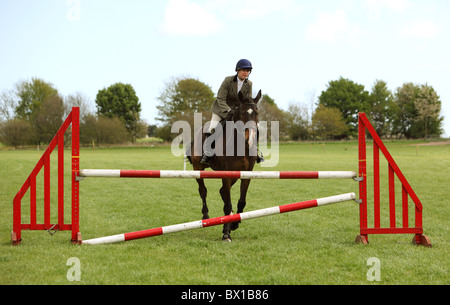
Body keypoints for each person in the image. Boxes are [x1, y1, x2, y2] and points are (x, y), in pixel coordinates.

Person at [201, 59, 264, 165]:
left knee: (256, 126)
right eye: (243, 70)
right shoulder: (228, 80)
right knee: (213, 127)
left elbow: (246, 100)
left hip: (237, 111)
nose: (246, 73)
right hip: (221, 109)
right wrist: (228, 110)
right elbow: (220, 98)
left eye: (248, 71)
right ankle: (207, 153)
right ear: (237, 70)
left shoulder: (249, 84)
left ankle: (255, 151)